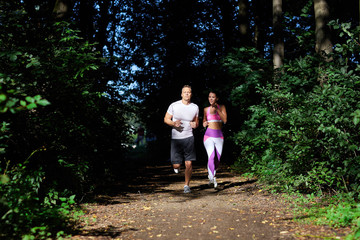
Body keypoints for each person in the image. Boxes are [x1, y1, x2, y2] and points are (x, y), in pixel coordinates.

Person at [164, 85, 199, 193]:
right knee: (176, 165)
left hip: (189, 137)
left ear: (191, 94)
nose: (187, 94)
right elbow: (166, 119)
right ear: (181, 94)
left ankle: (186, 186)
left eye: (189, 92)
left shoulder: (195, 107)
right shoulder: (174, 105)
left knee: (189, 163)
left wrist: (195, 124)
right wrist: (173, 123)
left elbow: (196, 121)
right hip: (176, 139)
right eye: (185, 92)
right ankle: (177, 167)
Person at [202, 91, 227, 189]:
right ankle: (213, 178)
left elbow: (224, 120)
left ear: (217, 98)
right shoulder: (205, 109)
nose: (211, 99)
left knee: (217, 159)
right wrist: (204, 123)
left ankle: (210, 175)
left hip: (219, 136)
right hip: (208, 136)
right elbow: (204, 120)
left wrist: (217, 109)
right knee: (211, 156)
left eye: (213, 97)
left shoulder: (222, 107)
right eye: (209, 97)